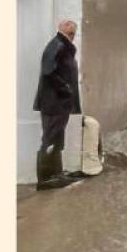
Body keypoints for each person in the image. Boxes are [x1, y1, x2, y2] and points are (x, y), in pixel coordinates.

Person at [33, 20, 82, 190]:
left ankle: (56, 174)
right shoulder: (58, 45)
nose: (73, 36)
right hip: (54, 102)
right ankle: (46, 178)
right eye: (72, 32)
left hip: (58, 102)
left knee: (56, 138)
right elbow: (49, 72)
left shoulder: (60, 45)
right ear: (70, 33)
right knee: (50, 137)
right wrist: (66, 88)